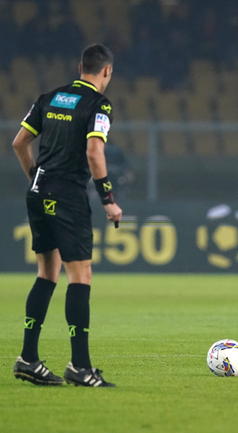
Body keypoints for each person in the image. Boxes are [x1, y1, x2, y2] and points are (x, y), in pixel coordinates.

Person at [11, 44, 122, 387]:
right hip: (68, 195)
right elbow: (94, 151)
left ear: (80, 67)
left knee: (47, 272)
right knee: (81, 275)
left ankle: (28, 359)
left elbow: (19, 143)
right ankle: (80, 367)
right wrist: (108, 199)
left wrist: (37, 181)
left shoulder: (50, 97)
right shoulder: (98, 105)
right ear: (106, 72)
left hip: (38, 191)